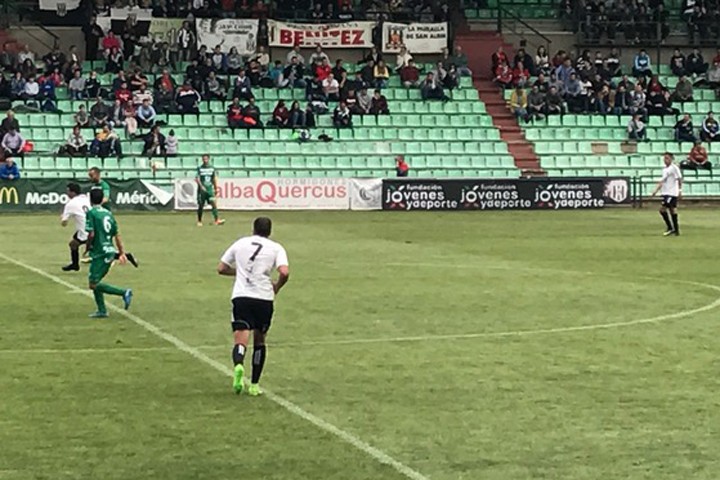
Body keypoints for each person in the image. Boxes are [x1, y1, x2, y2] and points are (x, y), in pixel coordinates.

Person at [217, 216, 290, 396]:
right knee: (259, 340)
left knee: (241, 339)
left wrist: (240, 272)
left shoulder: (240, 243)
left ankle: (239, 365)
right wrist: (277, 286)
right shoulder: (276, 248)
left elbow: (221, 268)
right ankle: (255, 385)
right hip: (264, 298)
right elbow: (284, 272)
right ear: (269, 231)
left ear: (253, 229)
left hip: (242, 296)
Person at [84, 188, 134, 318]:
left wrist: (87, 247)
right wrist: (121, 252)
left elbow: (91, 233)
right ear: (101, 199)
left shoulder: (91, 213)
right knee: (96, 280)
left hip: (100, 252)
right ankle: (102, 310)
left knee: (93, 284)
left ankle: (124, 292)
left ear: (90, 199)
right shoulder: (108, 214)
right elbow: (116, 234)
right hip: (109, 250)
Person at [60, 182, 91, 272]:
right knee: (73, 244)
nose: (67, 193)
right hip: (93, 226)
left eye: (68, 191)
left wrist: (62, 218)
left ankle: (123, 255)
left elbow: (64, 223)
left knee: (101, 251)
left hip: (85, 230)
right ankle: (75, 265)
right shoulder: (86, 198)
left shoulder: (70, 204)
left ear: (73, 192)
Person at [650, 152, 683, 236]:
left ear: (671, 159)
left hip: (671, 193)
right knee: (673, 210)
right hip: (666, 192)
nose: (665, 160)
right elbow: (662, 181)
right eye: (664, 158)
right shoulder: (665, 170)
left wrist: (680, 190)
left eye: (667, 158)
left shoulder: (674, 168)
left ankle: (671, 228)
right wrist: (656, 190)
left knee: (662, 209)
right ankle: (676, 230)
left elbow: (679, 179)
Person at [196, 154, 225, 226]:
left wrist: (216, 189)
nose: (205, 160)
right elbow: (197, 178)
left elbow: (214, 179)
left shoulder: (212, 168)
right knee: (201, 205)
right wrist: (201, 186)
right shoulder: (200, 168)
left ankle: (217, 220)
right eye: (204, 159)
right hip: (202, 190)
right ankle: (199, 221)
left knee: (213, 203)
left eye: (206, 159)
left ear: (208, 159)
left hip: (209, 189)